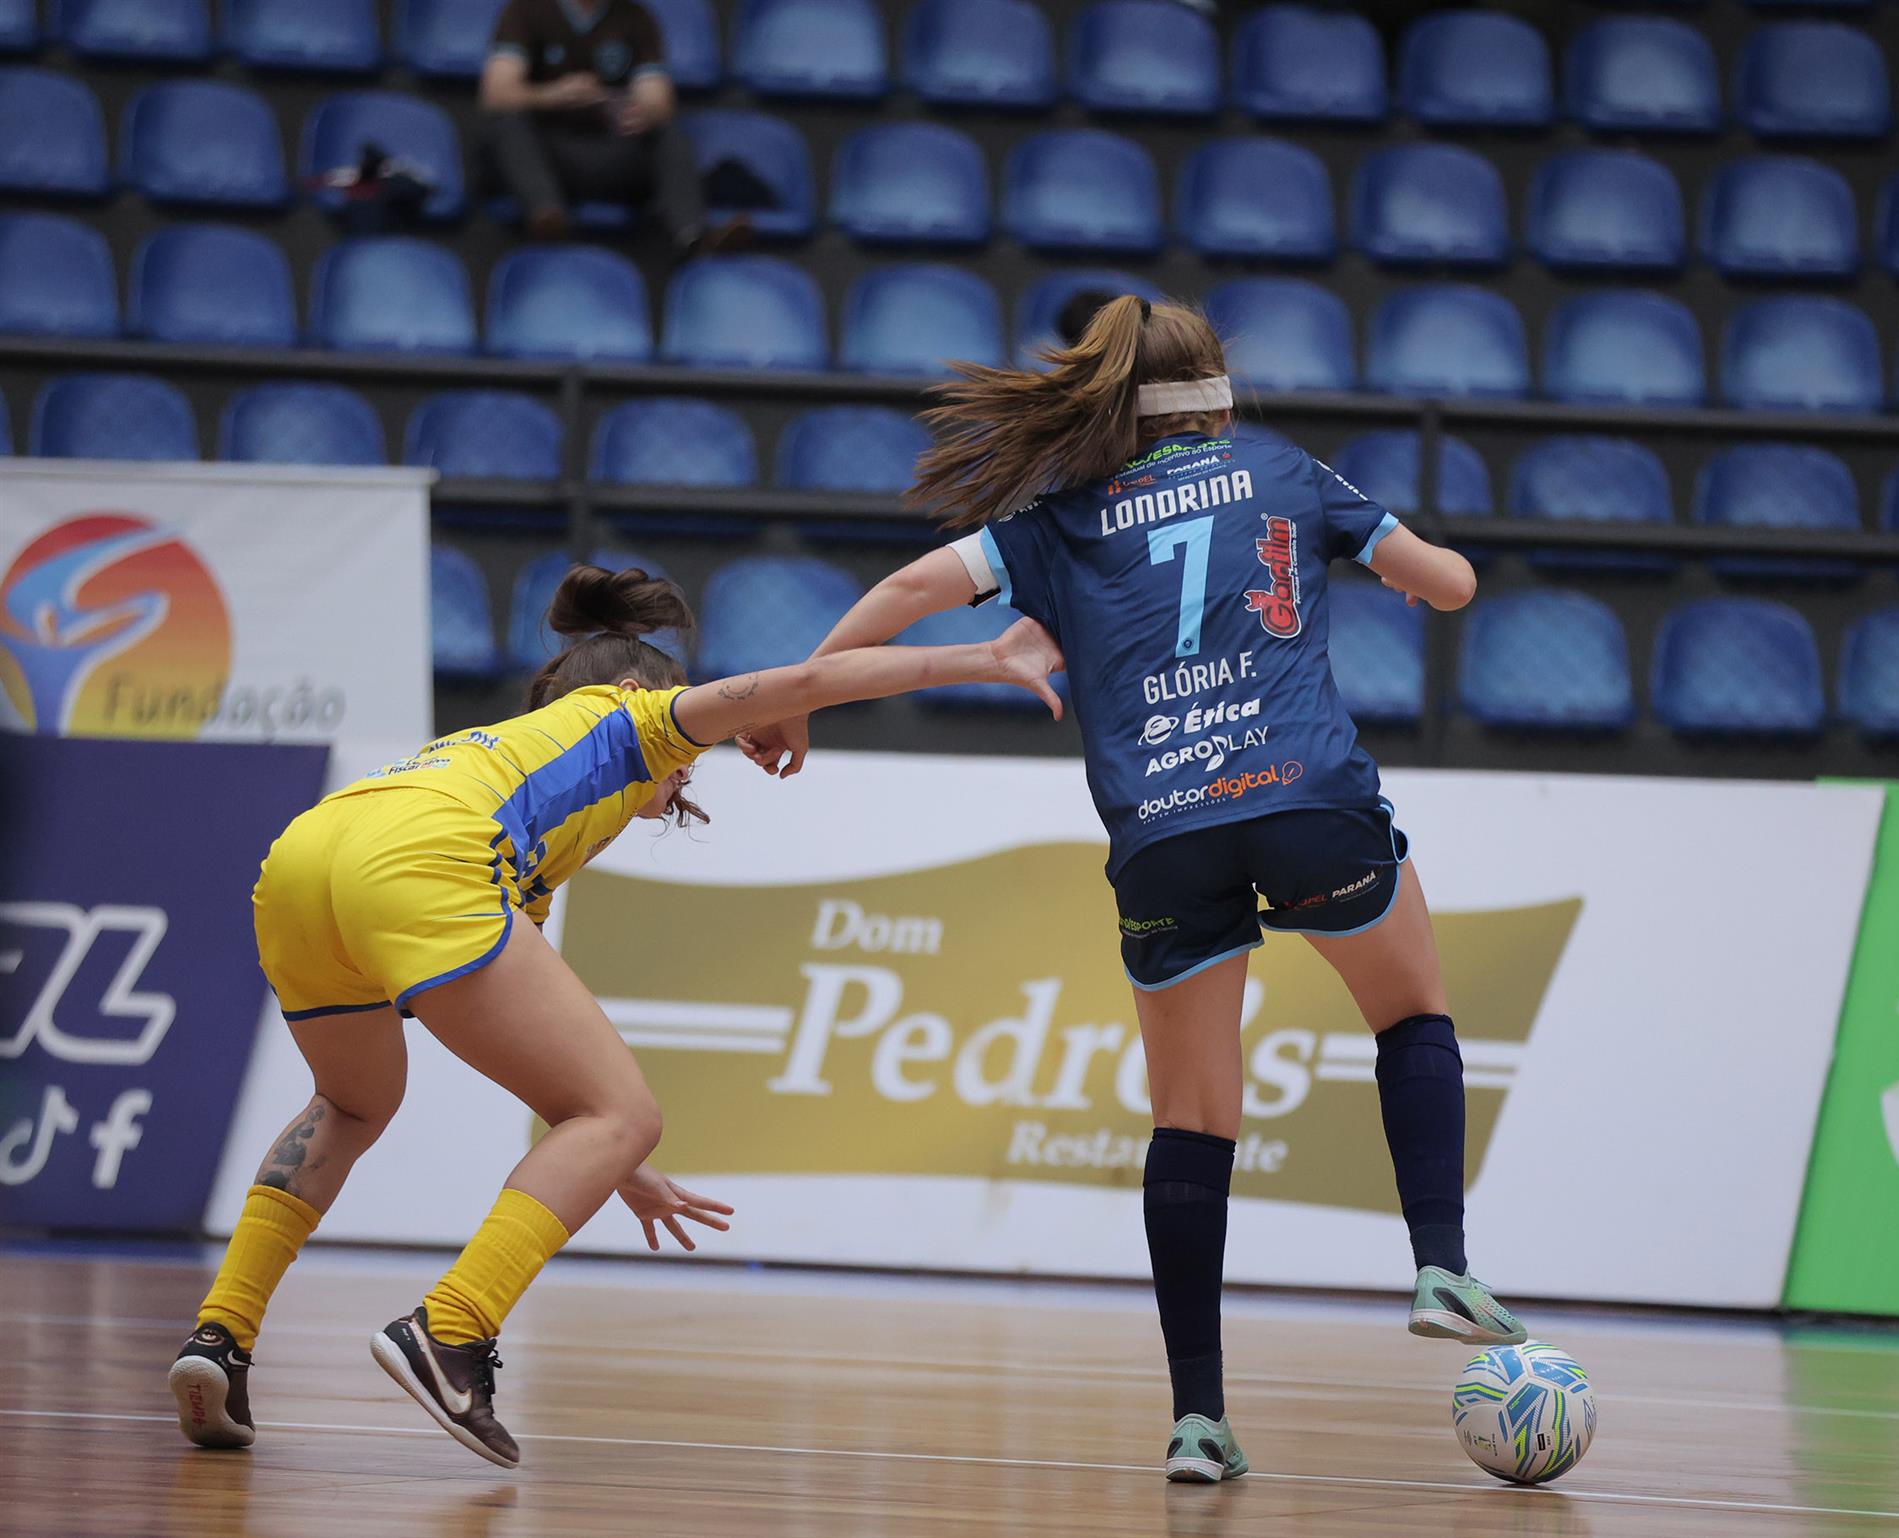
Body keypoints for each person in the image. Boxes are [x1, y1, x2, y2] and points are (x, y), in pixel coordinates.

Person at [738, 298, 1526, 1483]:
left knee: (1191, 1118)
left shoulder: (1053, 521)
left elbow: (904, 589)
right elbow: (1453, 585)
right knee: (1410, 1009)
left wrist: (799, 691)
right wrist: (1407, 569)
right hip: (1305, 796)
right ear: (1214, 386)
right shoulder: (1285, 469)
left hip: (1162, 831)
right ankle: (1439, 1264)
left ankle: (1197, 1418)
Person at [169, 565, 1063, 1469]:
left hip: (305, 856)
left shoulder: (507, 767)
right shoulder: (630, 718)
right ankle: (450, 1330)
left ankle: (220, 1336)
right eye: (691, 758)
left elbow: (554, 1061)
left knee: (353, 1105)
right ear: (638, 688)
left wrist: (617, 1158)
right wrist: (989, 654)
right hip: (420, 861)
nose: (683, 779)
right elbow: (801, 683)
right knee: (626, 1109)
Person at [478, 0, 737, 250]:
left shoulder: (636, 16)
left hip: (606, 152)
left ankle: (692, 236)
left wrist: (642, 111)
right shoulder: (526, 8)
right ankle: (547, 215)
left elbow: (658, 98)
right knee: (506, 121)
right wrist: (554, 95)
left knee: (667, 130)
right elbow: (495, 93)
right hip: (544, 154)